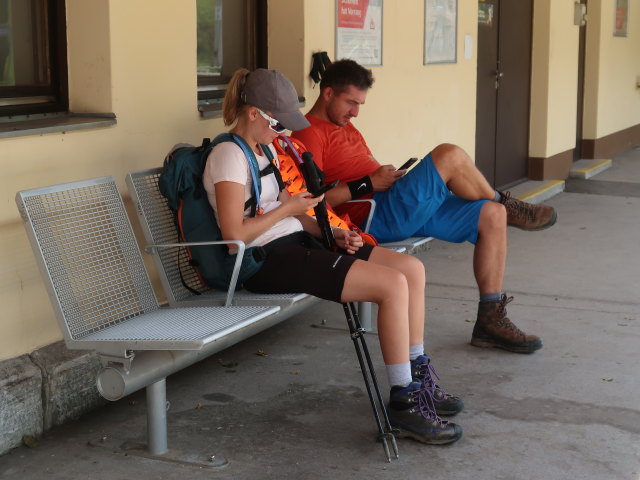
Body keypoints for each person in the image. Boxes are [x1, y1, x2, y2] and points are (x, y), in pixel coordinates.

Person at [203, 67, 464, 445]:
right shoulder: (228, 155)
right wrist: (289, 209)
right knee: (391, 286)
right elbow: (234, 236)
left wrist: (333, 233)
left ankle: (418, 373)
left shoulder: (265, 149)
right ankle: (404, 402)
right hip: (263, 260)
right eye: (278, 124)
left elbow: (292, 214)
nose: (282, 133)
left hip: (297, 242)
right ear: (254, 112)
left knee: (410, 268)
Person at [293, 59, 557, 355]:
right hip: (372, 217)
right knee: (449, 154)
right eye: (350, 103)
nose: (355, 112)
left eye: (360, 105)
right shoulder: (308, 133)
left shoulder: (345, 125)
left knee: (491, 216)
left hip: (392, 201)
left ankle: (489, 320)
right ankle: (508, 203)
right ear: (327, 93)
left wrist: (384, 178)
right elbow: (308, 201)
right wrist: (367, 183)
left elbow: (356, 170)